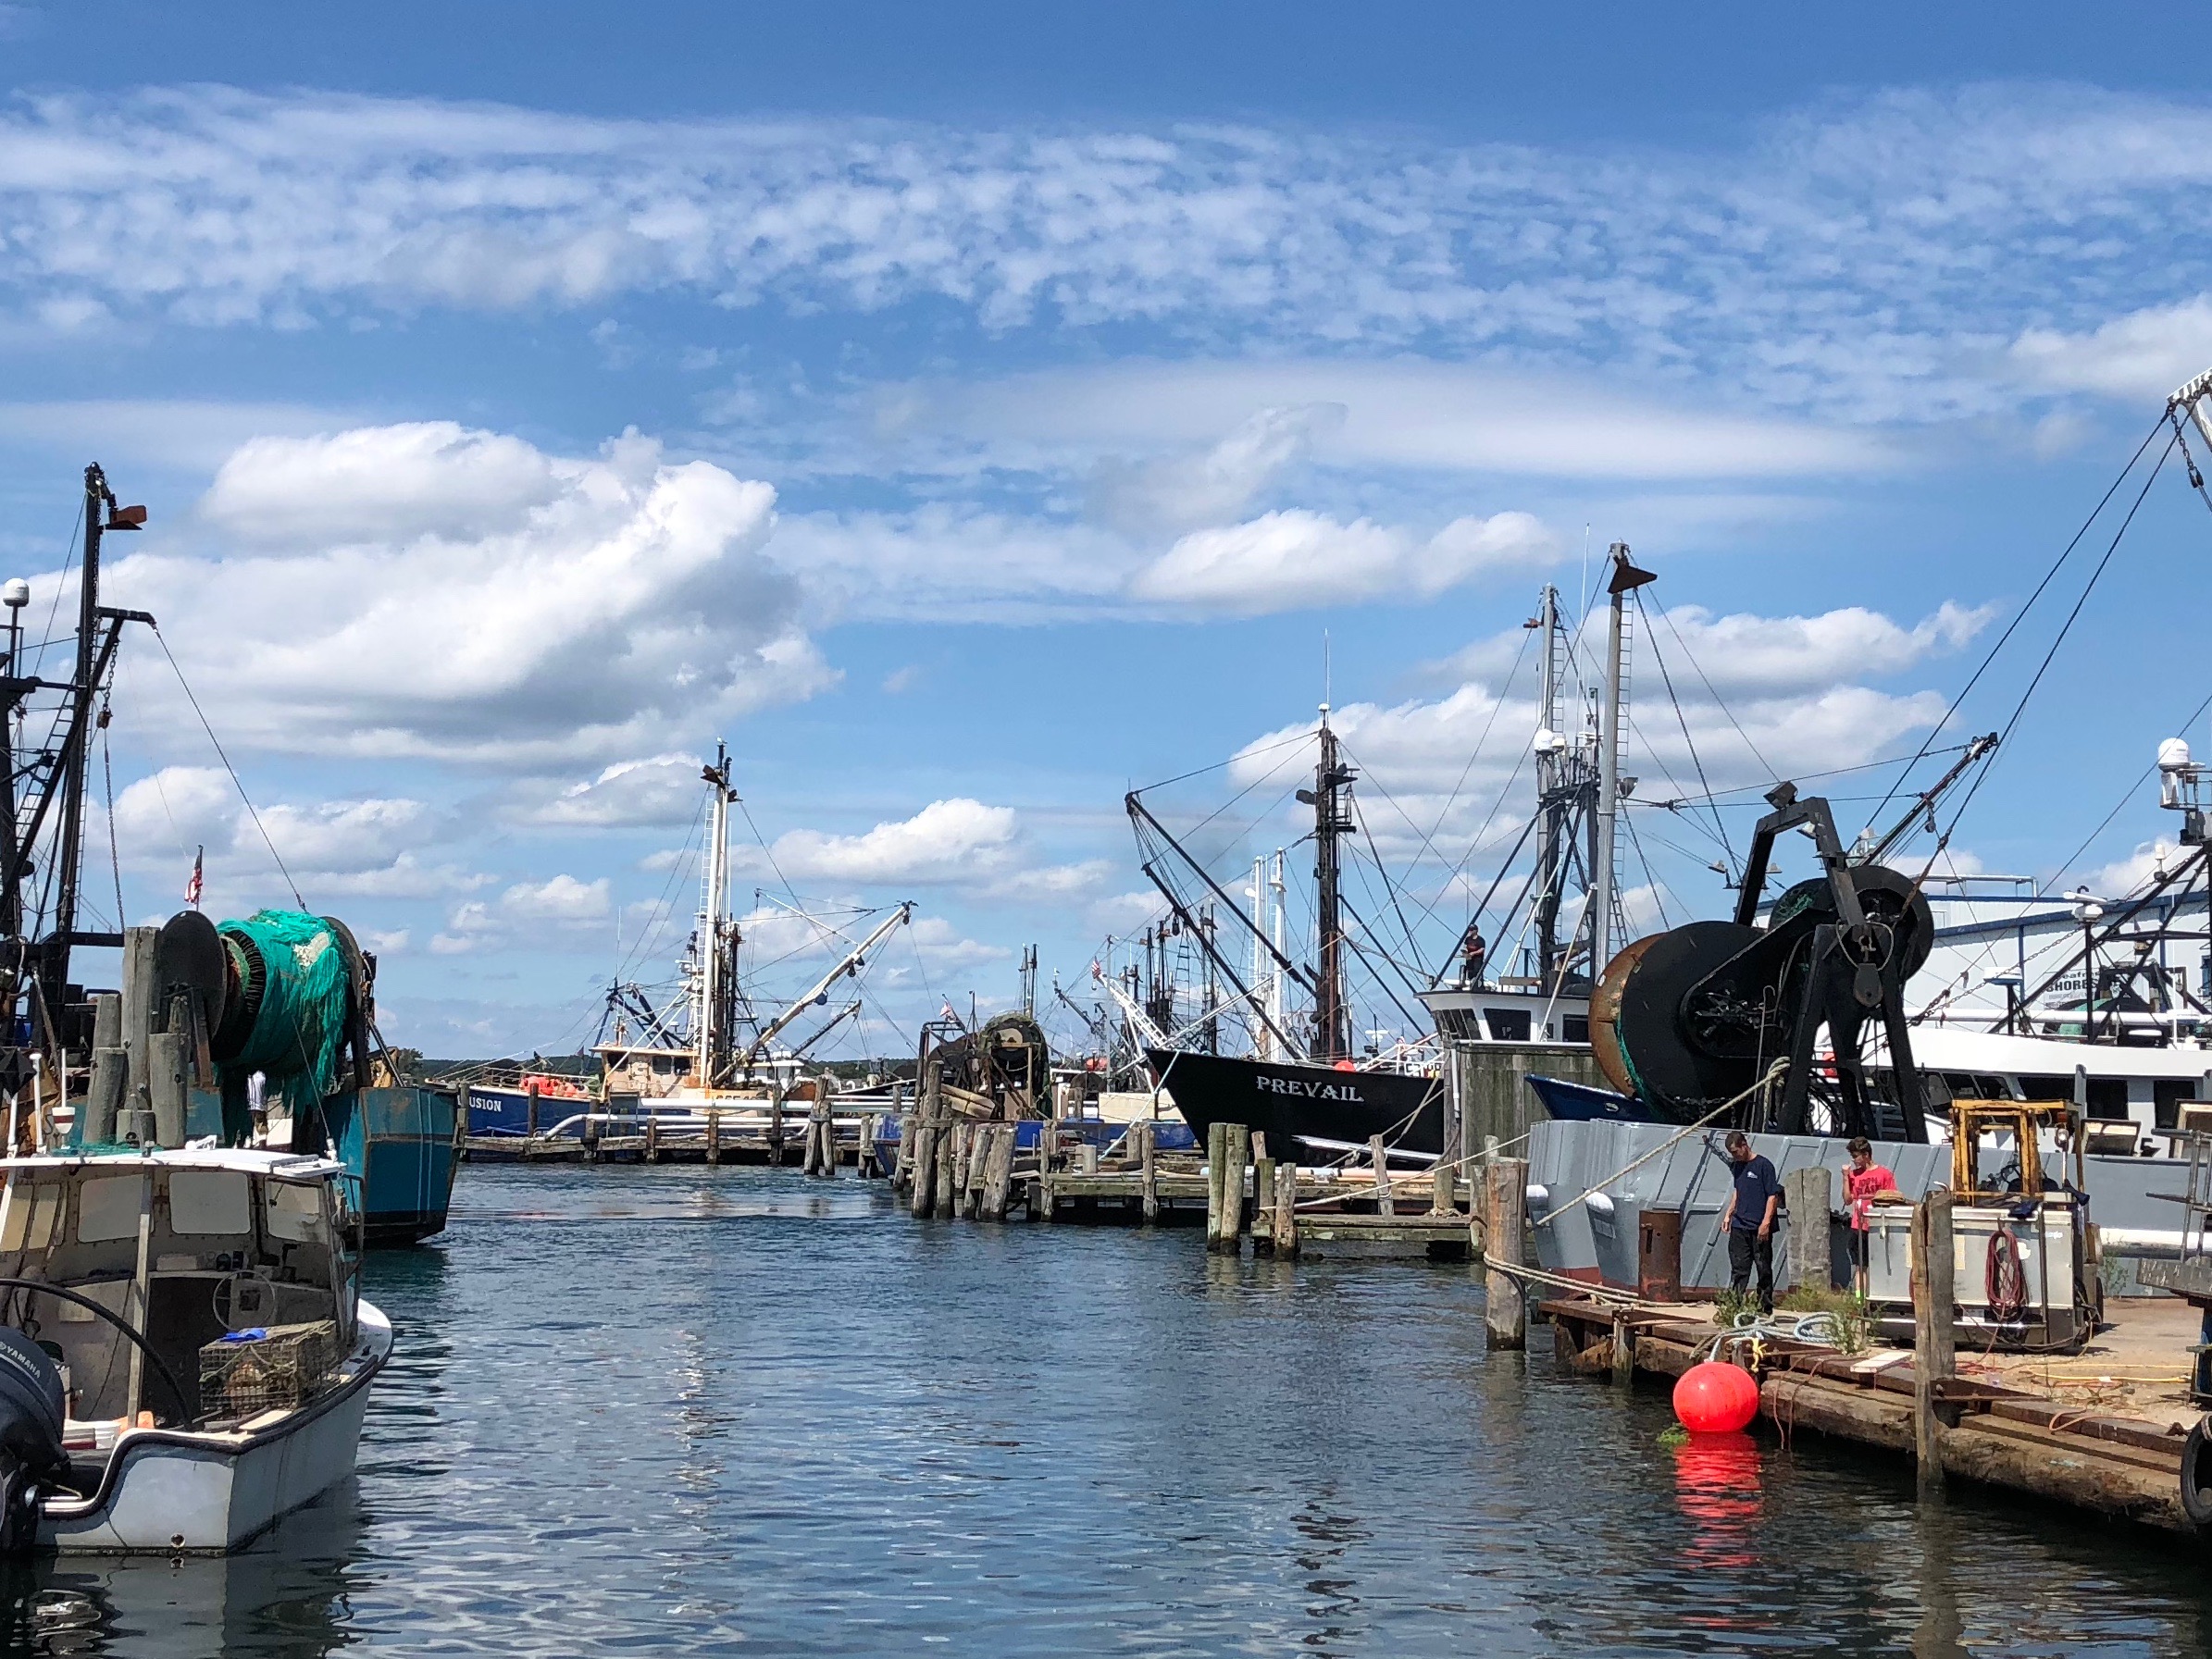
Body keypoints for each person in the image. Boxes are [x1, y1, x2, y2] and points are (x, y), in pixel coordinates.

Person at [1719, 1131, 1782, 1314]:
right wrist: (1728, 1214)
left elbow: (1772, 1196)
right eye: (1732, 1154)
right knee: (1739, 1268)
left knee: (1763, 1268)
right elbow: (1738, 1191)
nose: (1735, 1156)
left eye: (1736, 1152)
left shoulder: (1764, 1165)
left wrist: (1766, 1223)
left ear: (1744, 1145)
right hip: (1740, 1225)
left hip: (1759, 1226)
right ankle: (1734, 1306)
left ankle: (1765, 1308)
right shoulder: (1737, 1166)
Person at [1842, 1135, 1899, 1297]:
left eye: (1856, 1156)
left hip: (1877, 1224)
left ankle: (1878, 1296)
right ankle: (1860, 1298)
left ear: (1866, 1155)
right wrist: (1845, 1177)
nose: (1853, 1160)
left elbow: (1892, 1198)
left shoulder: (1884, 1174)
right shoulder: (1854, 1175)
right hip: (1859, 1225)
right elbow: (1847, 1200)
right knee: (1860, 1264)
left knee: (1879, 1263)